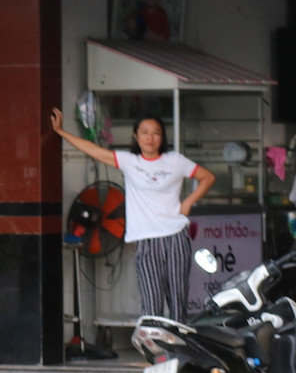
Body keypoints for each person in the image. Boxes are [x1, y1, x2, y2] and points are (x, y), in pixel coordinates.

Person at [51, 107, 215, 322]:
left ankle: (179, 351)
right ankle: (157, 353)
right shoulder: (130, 161)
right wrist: (61, 132)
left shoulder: (175, 161)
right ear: (136, 136)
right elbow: (94, 151)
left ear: (162, 137)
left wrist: (188, 203)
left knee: (178, 300)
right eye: (145, 132)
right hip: (145, 240)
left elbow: (207, 177)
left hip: (175, 236)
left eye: (156, 132)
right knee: (150, 304)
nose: (150, 137)